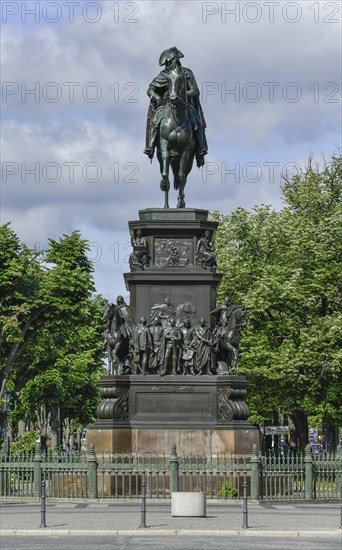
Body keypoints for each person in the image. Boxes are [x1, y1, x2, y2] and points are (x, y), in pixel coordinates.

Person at [144, 46, 208, 167]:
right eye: (167, 63)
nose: (168, 64)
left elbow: (195, 90)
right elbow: (151, 89)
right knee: (155, 120)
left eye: (169, 62)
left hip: (184, 104)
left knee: (196, 121)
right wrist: (155, 96)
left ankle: (201, 148)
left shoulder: (187, 72)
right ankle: (150, 145)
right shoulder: (163, 74)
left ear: (175, 60)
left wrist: (183, 95)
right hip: (166, 104)